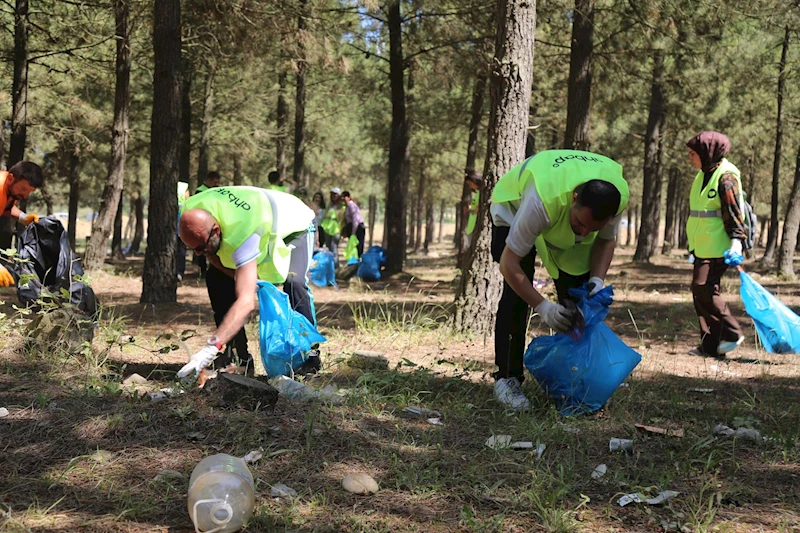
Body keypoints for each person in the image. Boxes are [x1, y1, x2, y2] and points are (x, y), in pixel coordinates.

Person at [489, 150, 629, 411]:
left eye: (592, 228)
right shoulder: (541, 201)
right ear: (574, 198)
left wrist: (597, 280)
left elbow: (605, 240)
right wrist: (543, 307)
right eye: (581, 223)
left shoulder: (614, 199)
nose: (584, 233)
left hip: (560, 215)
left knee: (578, 295)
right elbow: (510, 264)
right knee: (517, 295)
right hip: (514, 207)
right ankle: (507, 377)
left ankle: (578, 371)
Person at [176, 186, 318, 378]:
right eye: (193, 249)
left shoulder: (243, 232)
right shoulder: (190, 214)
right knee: (216, 279)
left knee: (294, 281)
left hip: (296, 223)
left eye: (200, 247)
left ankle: (311, 354)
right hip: (259, 217)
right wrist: (237, 276)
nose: (198, 254)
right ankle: (239, 356)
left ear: (216, 230)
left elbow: (246, 302)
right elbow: (211, 253)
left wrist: (212, 345)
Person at [685, 131, 745, 358]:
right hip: (703, 245)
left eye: (693, 154)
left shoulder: (726, 177)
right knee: (699, 291)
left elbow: (734, 211)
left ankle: (732, 332)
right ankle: (710, 346)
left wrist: (737, 242)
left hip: (721, 246)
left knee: (704, 288)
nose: (690, 158)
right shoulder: (704, 174)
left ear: (707, 153)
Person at [0, 161, 45, 287]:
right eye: (23, 189)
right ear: (10, 178)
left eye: (29, 192)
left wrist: (24, 218)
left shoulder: (8, 189)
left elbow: (5, 207)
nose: (25, 196)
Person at [194, 171, 222, 279]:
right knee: (202, 246)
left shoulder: (215, 190)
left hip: (214, 221)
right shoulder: (200, 191)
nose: (216, 184)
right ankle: (202, 269)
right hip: (203, 223)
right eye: (215, 182)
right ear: (209, 180)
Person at [320, 187, 345, 268]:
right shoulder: (329, 205)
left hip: (336, 230)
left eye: (335, 194)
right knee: (328, 248)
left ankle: (336, 267)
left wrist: (342, 231)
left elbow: (343, 220)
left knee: (334, 248)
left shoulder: (342, 206)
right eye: (332, 194)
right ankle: (329, 267)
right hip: (327, 230)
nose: (333, 196)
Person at [341, 190, 366, 258]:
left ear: (348, 197)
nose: (343, 199)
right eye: (342, 197)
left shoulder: (351, 205)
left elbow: (355, 219)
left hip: (357, 228)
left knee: (358, 247)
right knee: (353, 247)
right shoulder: (346, 207)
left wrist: (353, 232)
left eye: (345, 197)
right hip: (351, 228)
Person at [463, 170, 483, 248]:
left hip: (476, 227)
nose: (470, 187)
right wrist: (470, 208)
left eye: (470, 184)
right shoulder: (478, 193)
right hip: (471, 226)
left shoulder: (483, 193)